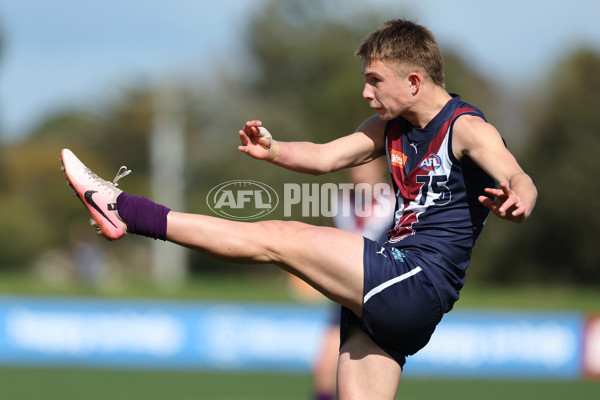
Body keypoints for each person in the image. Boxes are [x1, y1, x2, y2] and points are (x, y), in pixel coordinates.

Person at [60, 19, 537, 400]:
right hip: (389, 302)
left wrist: (518, 199)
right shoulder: (386, 126)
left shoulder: (465, 126)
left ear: (413, 81)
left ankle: (124, 208)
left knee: (279, 237)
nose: (366, 93)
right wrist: (274, 150)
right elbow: (326, 156)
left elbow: (519, 176)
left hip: (416, 281)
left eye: (375, 81)